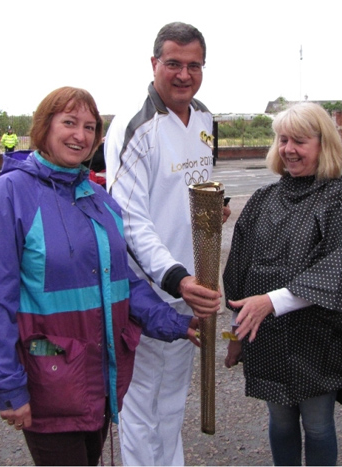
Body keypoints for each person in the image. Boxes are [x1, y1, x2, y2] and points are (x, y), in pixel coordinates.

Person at [0, 86, 202, 466]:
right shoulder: (9, 195)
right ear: (44, 127)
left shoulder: (99, 199)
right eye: (69, 122)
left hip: (99, 380)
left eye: (90, 127)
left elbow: (124, 282)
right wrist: (7, 385)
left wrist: (175, 322)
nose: (80, 135)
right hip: (49, 379)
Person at [223, 102, 342, 466]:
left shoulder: (341, 201)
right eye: (283, 140)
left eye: (300, 141)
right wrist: (236, 335)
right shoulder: (264, 199)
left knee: (318, 424)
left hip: (318, 339)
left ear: (323, 145)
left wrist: (271, 302)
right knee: (280, 420)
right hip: (269, 335)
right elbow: (240, 272)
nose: (288, 149)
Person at [105, 22, 229, 466]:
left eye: (193, 65)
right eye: (173, 63)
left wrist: (217, 211)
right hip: (149, 292)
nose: (183, 74)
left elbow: (196, 188)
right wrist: (176, 279)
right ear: (154, 63)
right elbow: (129, 219)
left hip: (192, 287)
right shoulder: (135, 126)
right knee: (140, 406)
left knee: (172, 400)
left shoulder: (205, 117)